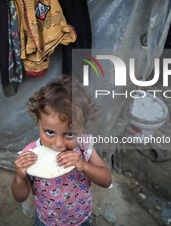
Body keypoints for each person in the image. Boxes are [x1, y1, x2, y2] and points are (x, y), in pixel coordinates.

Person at [11, 75, 112, 226]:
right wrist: (19, 177)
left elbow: (106, 180)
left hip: (81, 220)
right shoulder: (31, 155)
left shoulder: (84, 145)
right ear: (39, 121)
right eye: (49, 132)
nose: (58, 144)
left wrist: (84, 166)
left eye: (70, 134)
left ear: (84, 126)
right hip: (46, 222)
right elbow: (20, 197)